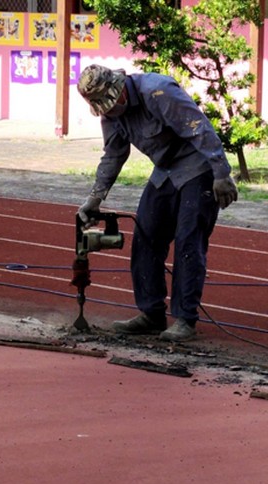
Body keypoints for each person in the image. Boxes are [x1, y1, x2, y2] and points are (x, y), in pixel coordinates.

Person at [77, 64, 238, 342]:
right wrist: (95, 197)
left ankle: (185, 319)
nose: (110, 111)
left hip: (197, 166)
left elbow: (199, 128)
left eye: (111, 104)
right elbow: (114, 154)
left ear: (120, 91)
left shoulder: (158, 91)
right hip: (164, 170)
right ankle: (151, 314)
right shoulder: (110, 114)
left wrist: (221, 173)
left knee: (189, 241)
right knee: (146, 236)